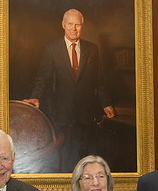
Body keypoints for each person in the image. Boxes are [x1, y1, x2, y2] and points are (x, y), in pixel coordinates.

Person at [23, 9, 115, 172]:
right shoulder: (52, 49)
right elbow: (43, 78)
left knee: (86, 159)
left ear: (82, 26)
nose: (74, 28)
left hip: (87, 115)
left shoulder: (92, 49)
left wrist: (106, 104)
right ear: (63, 25)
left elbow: (99, 81)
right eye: (70, 24)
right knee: (65, 159)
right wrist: (35, 97)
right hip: (62, 115)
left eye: (77, 25)